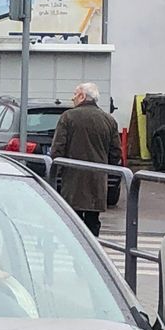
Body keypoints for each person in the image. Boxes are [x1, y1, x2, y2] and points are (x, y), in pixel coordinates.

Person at [50, 82, 120, 236]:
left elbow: (57, 149)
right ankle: (94, 251)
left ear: (82, 96)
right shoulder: (109, 120)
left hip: (72, 180)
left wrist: (58, 172)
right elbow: (116, 153)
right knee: (92, 223)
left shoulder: (68, 117)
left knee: (73, 223)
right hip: (97, 181)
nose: (72, 97)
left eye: (75, 94)